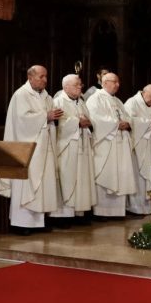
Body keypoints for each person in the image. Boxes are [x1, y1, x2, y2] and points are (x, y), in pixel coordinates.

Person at [0, 65, 61, 235]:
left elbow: (49, 119)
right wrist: (45, 116)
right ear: (30, 77)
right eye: (41, 76)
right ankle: (22, 223)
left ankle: (39, 222)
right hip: (27, 149)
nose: (45, 80)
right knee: (27, 184)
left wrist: (52, 118)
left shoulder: (47, 97)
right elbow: (21, 121)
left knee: (43, 184)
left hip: (44, 147)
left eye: (46, 76)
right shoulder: (21, 95)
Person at [86, 72, 137, 218]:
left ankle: (117, 212)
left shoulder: (118, 101)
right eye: (114, 82)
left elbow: (127, 117)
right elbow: (95, 118)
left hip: (120, 143)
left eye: (118, 82)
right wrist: (116, 124)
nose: (117, 85)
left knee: (120, 175)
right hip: (106, 144)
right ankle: (101, 212)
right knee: (106, 174)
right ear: (104, 83)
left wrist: (127, 123)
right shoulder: (95, 98)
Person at [51, 74, 96, 226]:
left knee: (81, 179)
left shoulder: (81, 102)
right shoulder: (58, 101)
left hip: (82, 146)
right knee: (67, 179)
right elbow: (58, 126)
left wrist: (88, 122)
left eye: (80, 84)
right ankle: (62, 216)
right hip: (67, 147)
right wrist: (77, 122)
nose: (80, 87)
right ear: (66, 87)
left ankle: (79, 213)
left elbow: (89, 121)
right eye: (76, 84)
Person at [124, 84, 151, 215]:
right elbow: (129, 120)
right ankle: (135, 207)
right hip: (138, 146)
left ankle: (149, 206)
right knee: (139, 176)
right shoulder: (132, 103)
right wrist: (149, 124)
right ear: (144, 92)